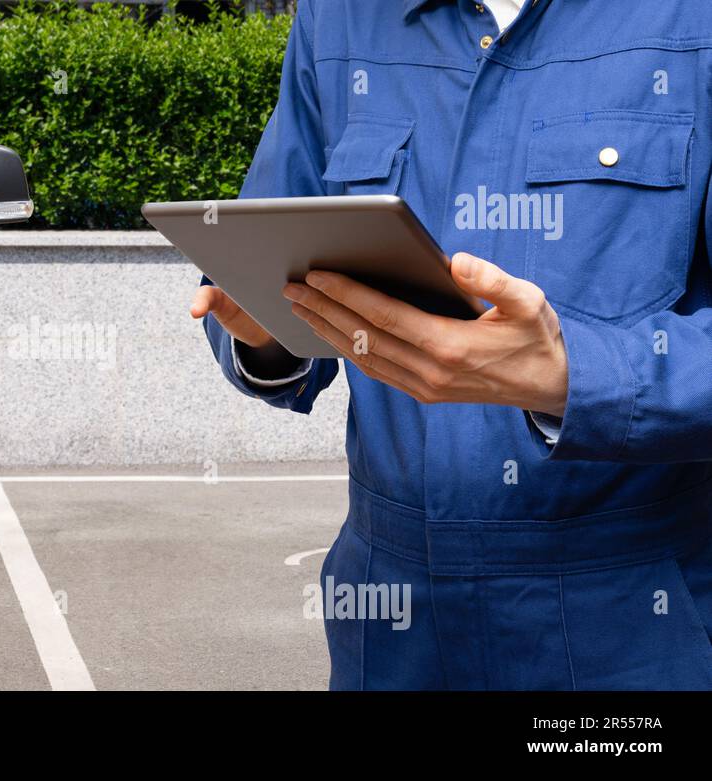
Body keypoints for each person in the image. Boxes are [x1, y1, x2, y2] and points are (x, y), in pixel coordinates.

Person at [192, 0, 712, 689]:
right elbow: (269, 247)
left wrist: (572, 376)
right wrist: (265, 334)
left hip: (629, 625)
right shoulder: (339, 18)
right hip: (392, 629)